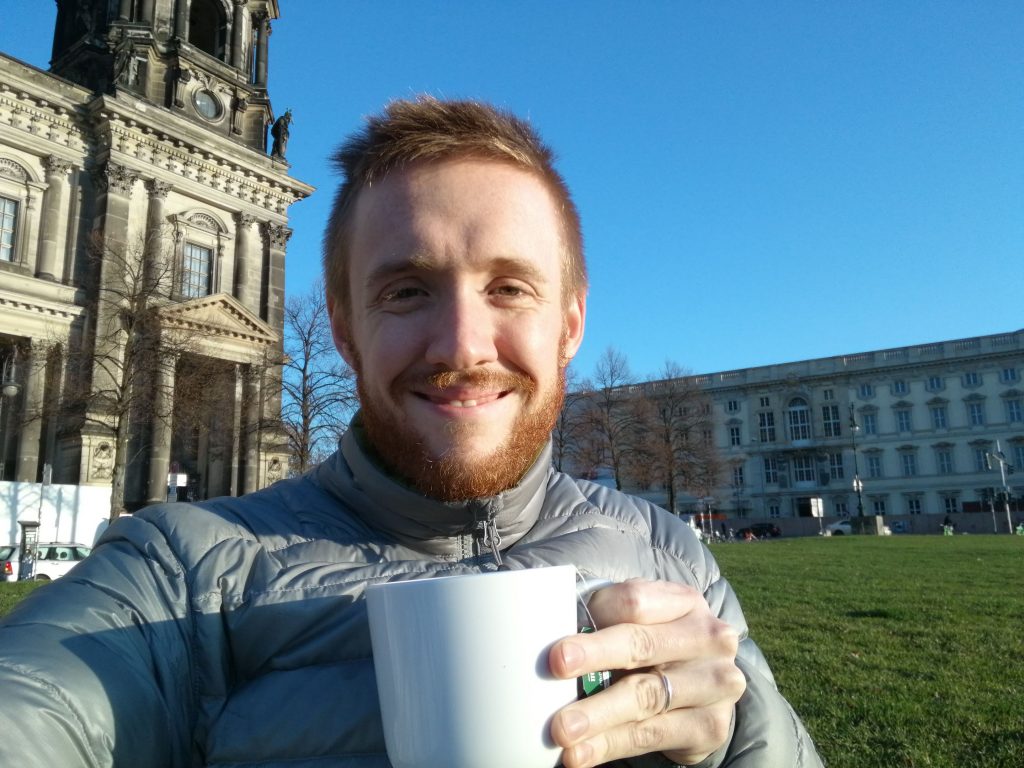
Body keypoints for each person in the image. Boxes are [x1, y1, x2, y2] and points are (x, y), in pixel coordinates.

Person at [0, 97, 823, 768]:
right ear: (345, 329)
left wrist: (737, 731)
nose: (462, 346)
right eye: (404, 291)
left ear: (571, 326)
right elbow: (37, 702)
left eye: (509, 288)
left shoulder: (671, 552)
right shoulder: (179, 571)